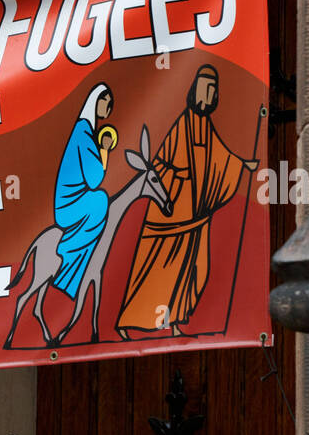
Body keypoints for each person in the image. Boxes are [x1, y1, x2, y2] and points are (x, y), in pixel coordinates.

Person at [115, 65, 257, 338]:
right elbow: (159, 164)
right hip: (172, 212)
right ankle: (126, 321)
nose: (209, 94)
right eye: (205, 88)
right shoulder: (183, 123)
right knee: (153, 271)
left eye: (213, 89)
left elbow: (220, 157)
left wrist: (241, 164)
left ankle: (177, 320)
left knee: (194, 269)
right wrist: (177, 176)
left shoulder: (205, 125)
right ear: (195, 91)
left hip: (196, 214)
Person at [51, 83, 116, 304]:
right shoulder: (84, 132)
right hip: (68, 206)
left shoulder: (85, 131)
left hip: (75, 200)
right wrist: (105, 149)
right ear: (95, 101)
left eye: (109, 105)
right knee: (100, 200)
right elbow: (95, 178)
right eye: (105, 102)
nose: (107, 108)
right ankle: (68, 259)